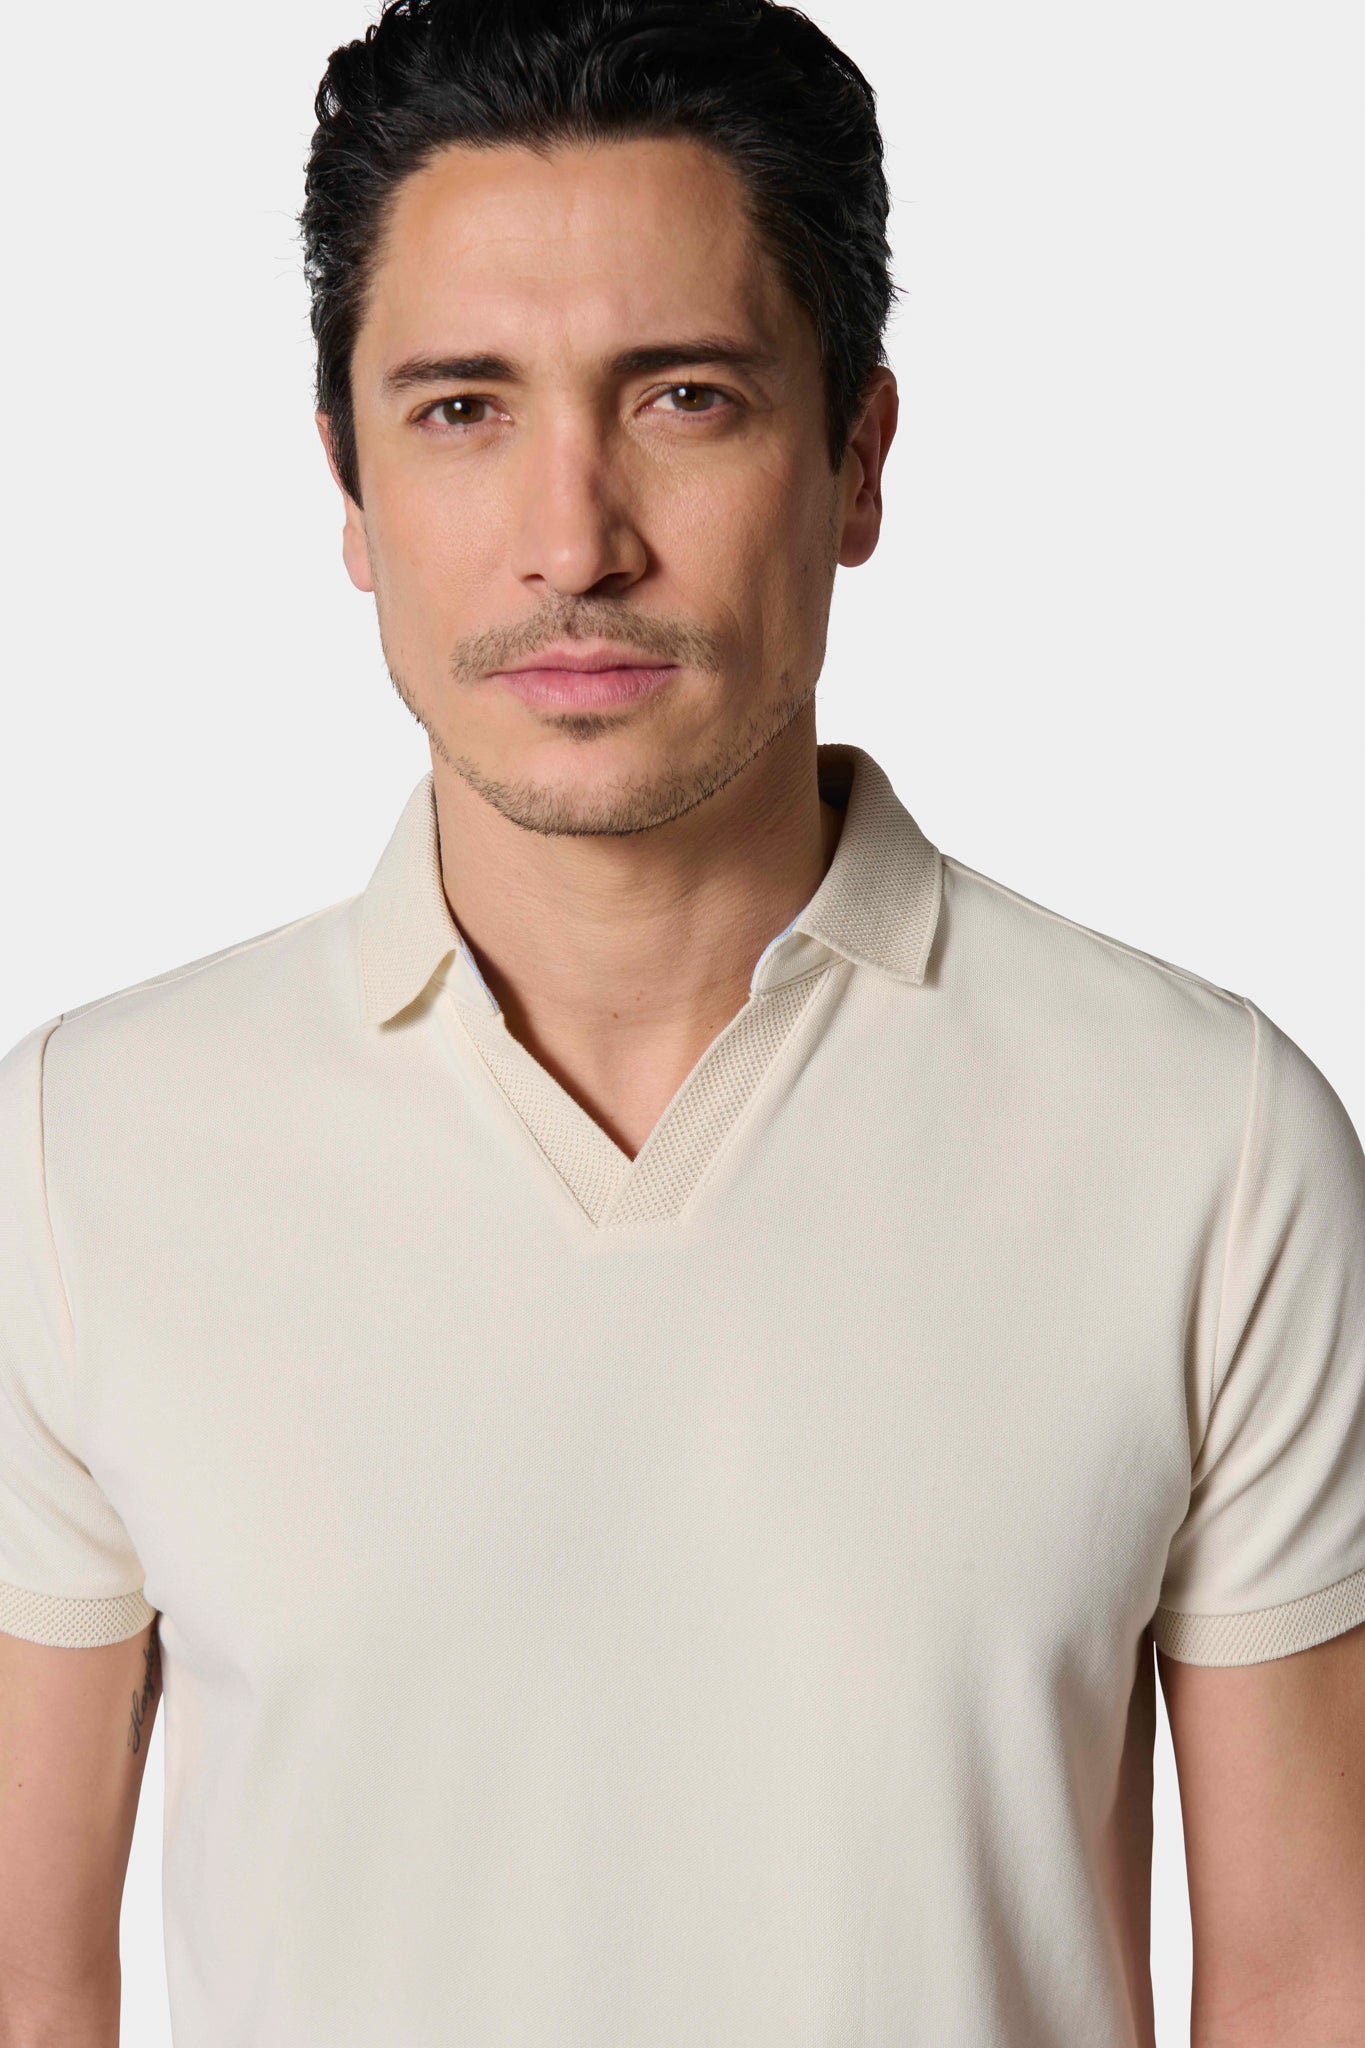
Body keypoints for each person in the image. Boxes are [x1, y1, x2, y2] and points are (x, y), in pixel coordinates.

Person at [2, 0, 1363, 2040]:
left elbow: (1305, 1980)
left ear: (854, 461)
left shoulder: (1204, 1139)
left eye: (684, 397)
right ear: (347, 486)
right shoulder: (83, 1150)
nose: (573, 538)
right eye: (462, 409)